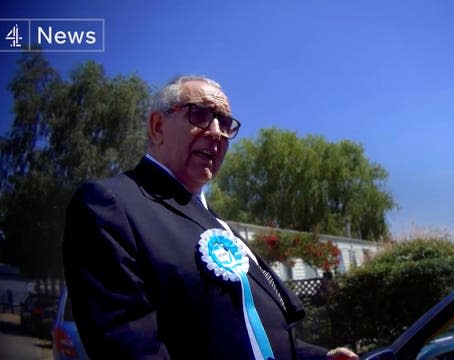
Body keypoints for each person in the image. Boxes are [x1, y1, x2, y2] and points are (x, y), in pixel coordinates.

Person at [63, 75, 358, 360]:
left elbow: (256, 336)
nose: (217, 131)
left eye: (225, 122)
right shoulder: (112, 205)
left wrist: (319, 357)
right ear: (157, 127)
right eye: (200, 114)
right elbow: (130, 346)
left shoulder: (219, 227)